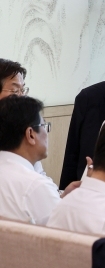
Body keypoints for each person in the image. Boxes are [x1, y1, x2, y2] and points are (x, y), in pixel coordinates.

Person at [0, 96, 79, 225]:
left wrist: (59, 198)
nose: (47, 133)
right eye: (44, 125)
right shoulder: (35, 186)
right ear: (30, 134)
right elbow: (68, 236)